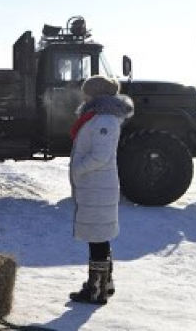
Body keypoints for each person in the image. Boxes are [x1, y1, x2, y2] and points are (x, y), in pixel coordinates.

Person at [68, 75, 134, 305]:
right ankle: (104, 283)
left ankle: (96, 291)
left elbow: (100, 156)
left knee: (98, 239)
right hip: (95, 186)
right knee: (100, 238)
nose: (84, 95)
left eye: (88, 91)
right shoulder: (99, 117)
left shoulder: (104, 119)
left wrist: (77, 169)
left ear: (96, 94)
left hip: (97, 186)